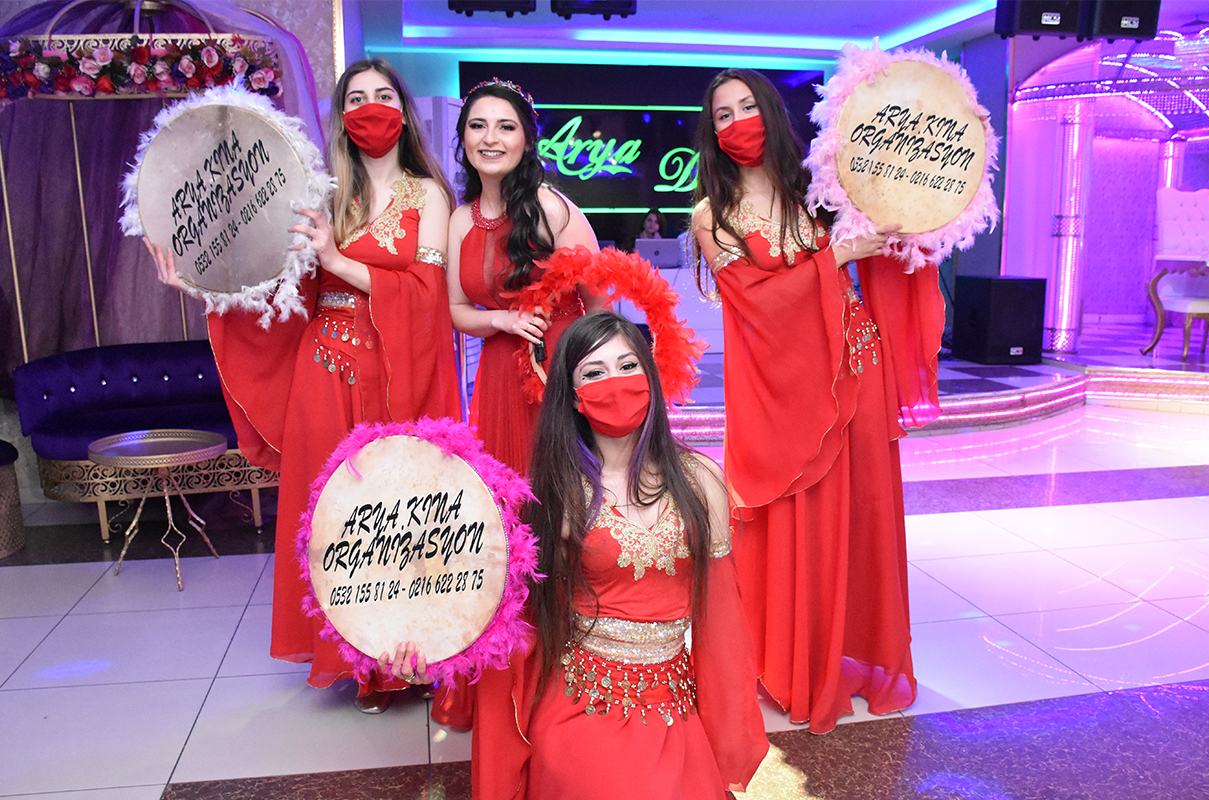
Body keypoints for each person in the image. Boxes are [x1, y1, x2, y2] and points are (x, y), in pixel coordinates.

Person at [147, 59, 462, 714]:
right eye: (357, 97)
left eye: (383, 95)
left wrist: (337, 258)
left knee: (399, 515)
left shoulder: (428, 195)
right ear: (341, 116)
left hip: (397, 374)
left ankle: (405, 658)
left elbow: (428, 294)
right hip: (324, 373)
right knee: (336, 520)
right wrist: (202, 282)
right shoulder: (322, 195)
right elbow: (278, 288)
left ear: (403, 111)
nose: (371, 107)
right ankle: (356, 661)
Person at [385, 311, 768, 799]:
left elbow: (722, 623)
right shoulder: (556, 492)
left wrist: (724, 733)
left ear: (650, 376)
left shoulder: (699, 480)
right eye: (594, 372)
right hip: (583, 703)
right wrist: (434, 650)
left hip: (672, 706)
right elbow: (505, 614)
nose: (616, 383)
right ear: (572, 396)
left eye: (628, 366)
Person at [690, 69, 945, 734]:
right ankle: (795, 663)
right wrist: (835, 257)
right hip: (780, 392)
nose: (737, 122)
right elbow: (755, 305)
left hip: (855, 369)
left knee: (859, 514)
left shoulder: (818, 187)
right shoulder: (711, 214)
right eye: (723, 114)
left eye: (747, 106)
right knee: (798, 516)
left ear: (772, 113)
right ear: (711, 130)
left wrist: (913, 215)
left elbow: (883, 247)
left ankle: (850, 653)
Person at [446, 78, 609, 475]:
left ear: (526, 140)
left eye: (506, 126)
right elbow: (455, 309)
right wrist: (501, 319)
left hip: (559, 365)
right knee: (507, 488)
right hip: (498, 371)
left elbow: (601, 306)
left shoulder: (551, 209)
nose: (490, 138)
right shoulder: (459, 220)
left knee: (561, 486)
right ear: (464, 138)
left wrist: (586, 377)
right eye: (478, 125)